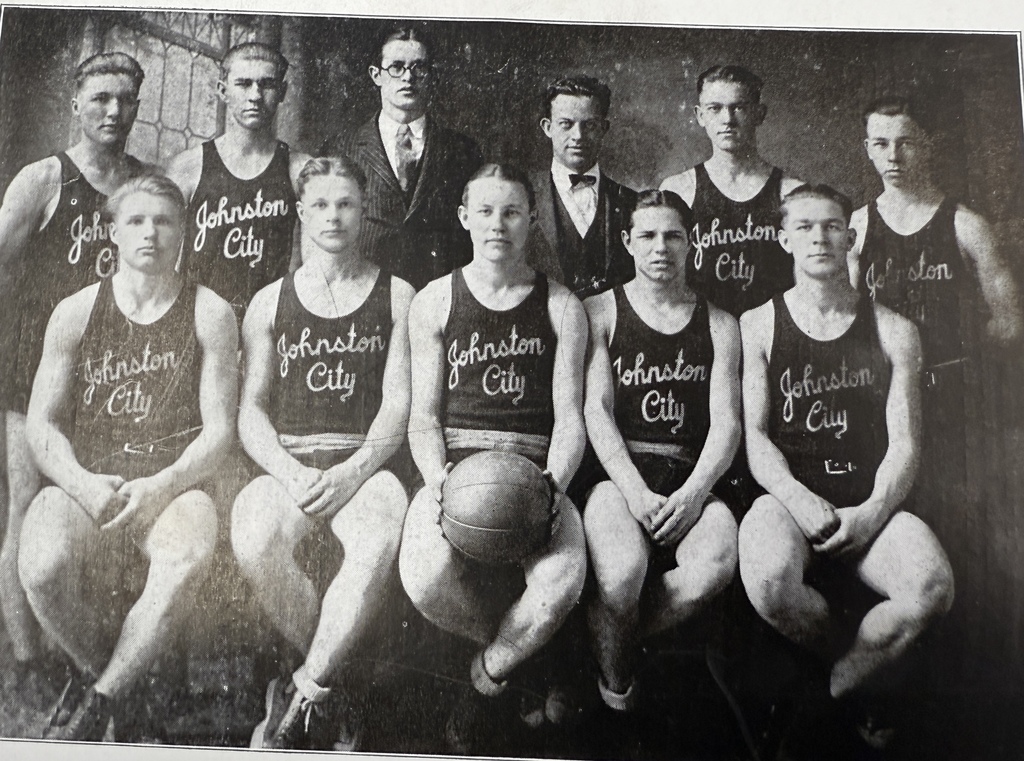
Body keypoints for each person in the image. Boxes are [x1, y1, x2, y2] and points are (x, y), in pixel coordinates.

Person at [17, 173, 237, 742]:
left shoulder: (208, 311)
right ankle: (124, 684)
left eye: (164, 221)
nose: (150, 233)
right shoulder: (75, 310)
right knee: (40, 566)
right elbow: (41, 425)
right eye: (136, 220)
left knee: (185, 552)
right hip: (89, 481)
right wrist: (83, 484)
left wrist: (162, 486)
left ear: (183, 232)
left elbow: (218, 433)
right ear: (111, 231)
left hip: (173, 485)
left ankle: (100, 702)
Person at [738, 184, 954, 746]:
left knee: (931, 586)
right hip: (788, 501)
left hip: (868, 501)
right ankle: (864, 671)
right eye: (805, 227)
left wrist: (872, 511)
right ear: (784, 239)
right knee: (766, 580)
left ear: (851, 236)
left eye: (832, 225)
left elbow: (905, 444)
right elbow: (756, 440)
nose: (820, 237)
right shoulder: (757, 324)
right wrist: (798, 499)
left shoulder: (895, 330)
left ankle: (834, 687)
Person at [398, 164, 588, 753]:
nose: (498, 225)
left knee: (560, 579)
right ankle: (529, 658)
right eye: (485, 212)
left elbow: (570, 417)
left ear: (531, 219)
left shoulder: (561, 305)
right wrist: (437, 481)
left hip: (536, 472)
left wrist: (554, 483)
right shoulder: (435, 300)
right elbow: (424, 416)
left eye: (511, 212)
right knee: (426, 577)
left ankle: (488, 679)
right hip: (456, 471)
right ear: (464, 218)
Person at [231, 156, 413, 751]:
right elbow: (251, 412)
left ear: (365, 212)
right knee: (255, 538)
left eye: (347, 205)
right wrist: (288, 470)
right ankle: (338, 678)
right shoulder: (268, 301)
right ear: (301, 211)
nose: (334, 216)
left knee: (377, 540)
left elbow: (397, 408)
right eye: (322, 205)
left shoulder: (398, 296)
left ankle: (304, 692)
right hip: (290, 467)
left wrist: (354, 470)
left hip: (367, 468)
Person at [0, 52, 150, 704]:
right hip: (34, 371)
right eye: (101, 99)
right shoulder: (44, 178)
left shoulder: (146, 182)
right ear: (75, 102)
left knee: (93, 512)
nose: (114, 112)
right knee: (25, 514)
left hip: (114, 376)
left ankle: (88, 653)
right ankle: (31, 662)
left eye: (125, 100)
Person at [582, 189, 739, 714]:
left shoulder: (720, 323)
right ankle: (617, 684)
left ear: (691, 242)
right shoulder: (600, 310)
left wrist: (695, 495)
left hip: (690, 478)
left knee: (714, 563)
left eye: (673, 235)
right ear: (627, 242)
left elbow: (727, 425)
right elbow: (597, 411)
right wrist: (633, 490)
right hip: (619, 478)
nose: (660, 248)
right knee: (622, 574)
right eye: (647, 236)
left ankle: (604, 644)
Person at [320, 26, 483, 290]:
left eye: (419, 67)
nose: (408, 77)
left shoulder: (462, 150)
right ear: (376, 75)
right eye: (396, 67)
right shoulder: (341, 148)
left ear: (431, 75)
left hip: (439, 293)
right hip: (364, 292)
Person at [166, 41, 309, 324]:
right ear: (223, 90)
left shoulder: (299, 169)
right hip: (198, 324)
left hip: (270, 324)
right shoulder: (188, 167)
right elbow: (166, 260)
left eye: (267, 85)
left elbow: (310, 265)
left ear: (282, 92)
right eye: (243, 84)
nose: (255, 95)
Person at [660, 64, 803, 318]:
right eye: (715, 108)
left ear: (759, 113)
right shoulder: (678, 189)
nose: (727, 119)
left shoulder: (792, 192)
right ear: (700, 115)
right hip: (701, 337)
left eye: (739, 107)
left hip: (772, 337)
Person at [529, 76, 637, 300]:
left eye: (589, 125)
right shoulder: (522, 198)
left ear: (604, 129)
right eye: (566, 124)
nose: (578, 136)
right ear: (547, 127)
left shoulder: (632, 203)